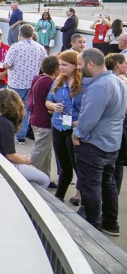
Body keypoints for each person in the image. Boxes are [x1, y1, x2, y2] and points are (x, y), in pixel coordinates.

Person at [73, 48, 127, 235]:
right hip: (112, 142)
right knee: (108, 183)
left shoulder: (99, 86)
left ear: (90, 64)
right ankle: (111, 223)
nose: (78, 68)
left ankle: (92, 226)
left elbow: (90, 117)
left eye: (80, 64)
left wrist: (77, 133)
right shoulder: (118, 82)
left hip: (94, 144)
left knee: (91, 185)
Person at [0, 89, 50, 186]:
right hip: (1, 164)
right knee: (44, 179)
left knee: (32, 171)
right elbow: (11, 156)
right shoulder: (5, 124)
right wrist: (25, 160)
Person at [47, 50, 87, 203]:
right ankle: (59, 197)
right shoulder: (58, 81)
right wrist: (53, 105)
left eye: (64, 65)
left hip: (75, 129)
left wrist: (79, 122)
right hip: (59, 126)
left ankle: (81, 196)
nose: (61, 68)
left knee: (78, 165)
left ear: (75, 65)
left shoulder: (84, 84)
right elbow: (48, 101)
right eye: (60, 65)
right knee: (64, 165)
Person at [4, 23, 48, 143]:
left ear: (20, 34)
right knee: (27, 110)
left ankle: (10, 132)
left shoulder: (15, 47)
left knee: (11, 108)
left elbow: (7, 64)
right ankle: (21, 135)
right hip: (32, 84)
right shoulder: (40, 47)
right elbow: (45, 65)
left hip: (15, 83)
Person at [28, 56, 59, 178]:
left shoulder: (38, 78)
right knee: (40, 151)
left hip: (36, 118)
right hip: (44, 121)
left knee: (46, 153)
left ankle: (45, 177)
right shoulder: (49, 82)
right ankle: (30, 176)